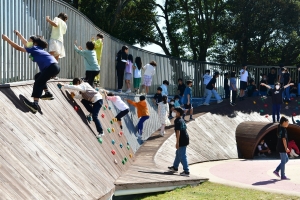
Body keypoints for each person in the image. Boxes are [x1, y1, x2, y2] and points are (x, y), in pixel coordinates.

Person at [2, 31, 60, 113]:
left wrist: (6, 39)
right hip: (55, 67)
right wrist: (18, 34)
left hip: (51, 67)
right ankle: (47, 93)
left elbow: (19, 47)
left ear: (34, 43)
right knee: (38, 77)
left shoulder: (34, 48)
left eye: (29, 41)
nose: (27, 42)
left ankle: (35, 105)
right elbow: (24, 46)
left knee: (38, 83)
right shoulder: (37, 49)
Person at [168, 107, 190, 176]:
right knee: (178, 153)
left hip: (182, 139)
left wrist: (177, 142)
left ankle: (186, 171)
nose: (173, 112)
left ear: (178, 113)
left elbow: (178, 132)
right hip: (185, 138)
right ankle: (175, 167)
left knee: (182, 155)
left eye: (175, 111)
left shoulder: (177, 121)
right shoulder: (181, 119)